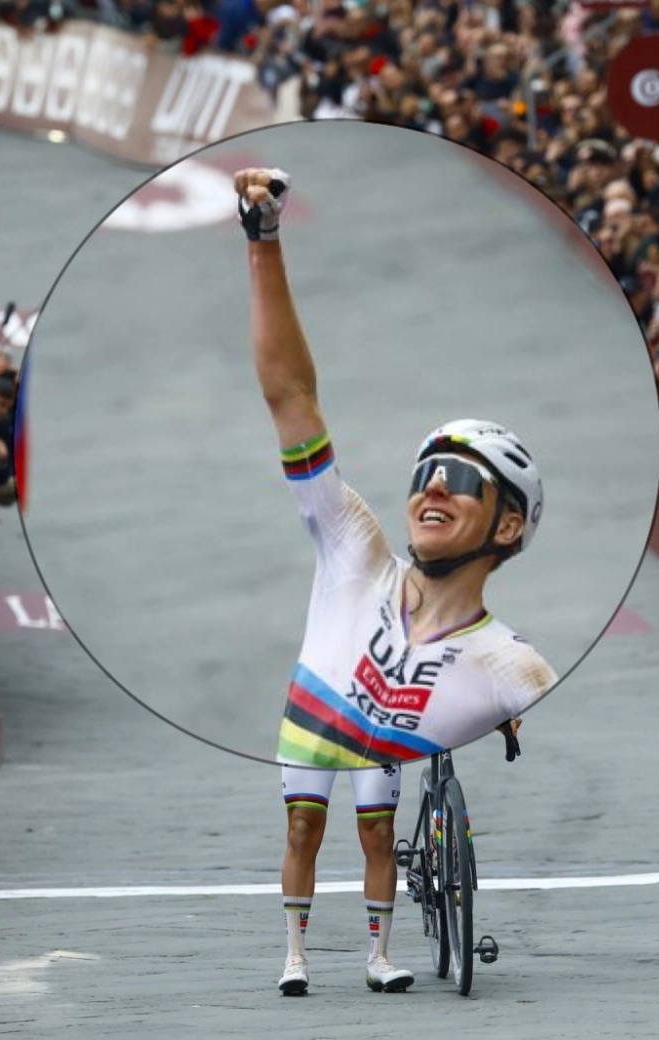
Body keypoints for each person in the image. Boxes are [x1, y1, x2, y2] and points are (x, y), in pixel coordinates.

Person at [235, 168, 556, 998]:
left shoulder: (511, 659)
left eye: (461, 478)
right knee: (303, 824)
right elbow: (290, 395)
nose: (433, 487)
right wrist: (262, 240)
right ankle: (295, 954)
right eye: (427, 471)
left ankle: (378, 955)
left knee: (378, 837)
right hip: (313, 716)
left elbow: (529, 689)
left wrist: (507, 720)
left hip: (385, 739)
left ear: (509, 527)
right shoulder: (354, 546)